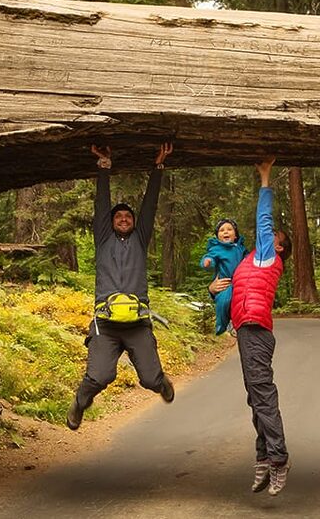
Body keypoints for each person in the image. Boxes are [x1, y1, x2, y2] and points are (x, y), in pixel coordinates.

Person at [66, 142, 175, 431]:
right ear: (111, 222)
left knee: (150, 380)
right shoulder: (103, 240)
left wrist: (158, 167)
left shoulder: (140, 240)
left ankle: (161, 382)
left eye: (128, 217)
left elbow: (150, 204)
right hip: (106, 324)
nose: (123, 219)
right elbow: (102, 204)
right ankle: (80, 402)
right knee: (99, 376)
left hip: (138, 323)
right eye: (118, 217)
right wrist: (104, 168)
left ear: (134, 223)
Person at [211, 158, 293, 496]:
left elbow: (262, 220)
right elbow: (226, 280)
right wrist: (212, 289)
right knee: (255, 398)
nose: (267, 235)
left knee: (263, 396)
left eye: (274, 236)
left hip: (257, 331)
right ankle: (262, 458)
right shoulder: (249, 260)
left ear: (279, 247)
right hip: (246, 330)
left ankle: (278, 459)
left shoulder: (267, 258)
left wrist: (264, 178)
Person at [200, 218, 246, 336]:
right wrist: (207, 262)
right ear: (217, 237)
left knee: (240, 302)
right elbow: (210, 258)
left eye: (229, 229)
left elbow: (248, 259)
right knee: (224, 301)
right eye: (222, 230)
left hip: (241, 282)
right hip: (226, 283)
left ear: (235, 235)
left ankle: (237, 322)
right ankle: (222, 324)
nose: (225, 232)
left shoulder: (240, 248)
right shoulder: (217, 249)